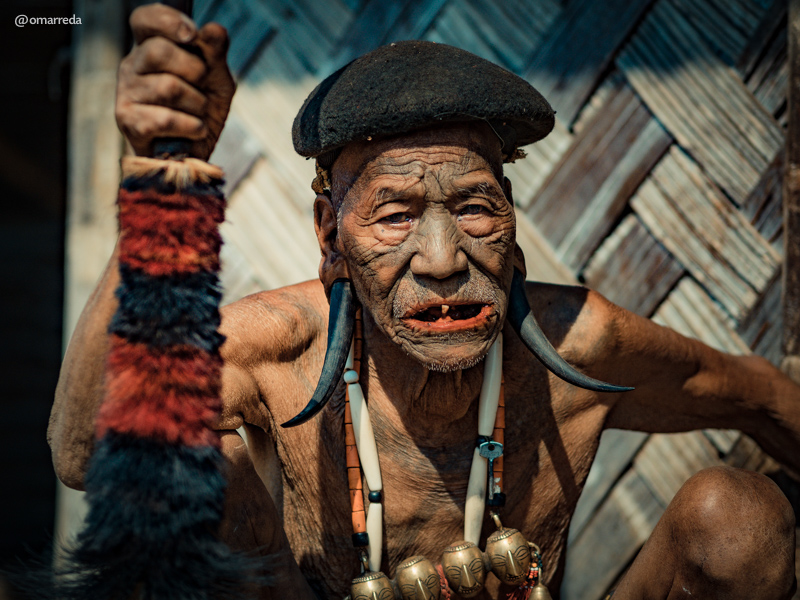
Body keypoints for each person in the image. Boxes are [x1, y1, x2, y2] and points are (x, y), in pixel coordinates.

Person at [49, 4, 800, 599]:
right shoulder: (275, 351)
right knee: (196, 473)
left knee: (740, 519)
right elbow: (84, 451)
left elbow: (761, 397)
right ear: (330, 236)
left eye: (475, 208)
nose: (443, 261)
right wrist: (161, 175)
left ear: (512, 222)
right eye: (395, 214)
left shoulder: (579, 346)